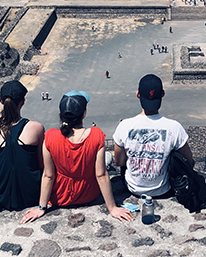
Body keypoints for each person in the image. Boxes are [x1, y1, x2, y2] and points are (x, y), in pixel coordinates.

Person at [21, 91, 132, 223]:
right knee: (108, 157)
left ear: (61, 115)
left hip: (60, 196)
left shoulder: (50, 136)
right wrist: (112, 208)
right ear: (84, 113)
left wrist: (41, 208)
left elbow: (48, 176)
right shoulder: (96, 135)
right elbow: (101, 175)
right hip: (88, 194)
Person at [113, 74, 193, 198]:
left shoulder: (124, 126)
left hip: (133, 188)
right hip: (162, 189)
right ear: (162, 94)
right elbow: (188, 159)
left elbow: (118, 161)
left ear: (138, 94)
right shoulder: (174, 127)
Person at [0, 81, 46, 210]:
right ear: (22, 102)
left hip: (1, 196)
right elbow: (40, 164)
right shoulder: (36, 128)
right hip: (32, 194)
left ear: (1, 101)